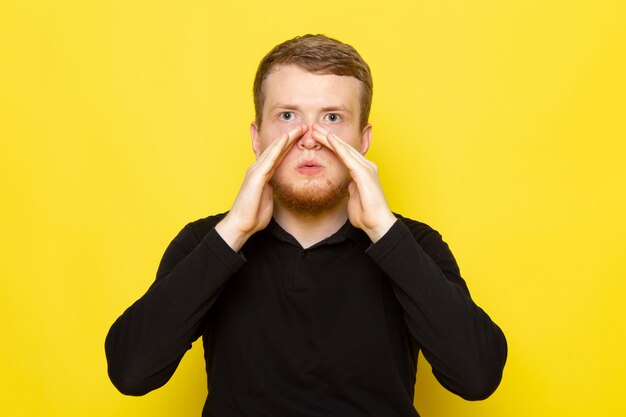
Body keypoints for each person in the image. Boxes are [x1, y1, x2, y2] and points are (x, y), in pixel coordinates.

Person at [105, 34, 507, 417]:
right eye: (287, 116)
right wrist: (234, 232)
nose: (310, 139)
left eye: (332, 117)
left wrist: (384, 231)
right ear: (257, 137)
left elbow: (477, 377)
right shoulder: (206, 241)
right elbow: (131, 372)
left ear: (362, 140)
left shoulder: (413, 243)